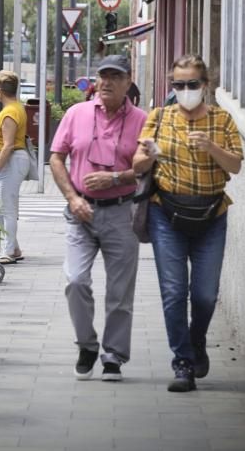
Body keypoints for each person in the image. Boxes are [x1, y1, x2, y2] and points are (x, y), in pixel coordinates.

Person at [133, 54, 243, 393]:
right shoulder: (160, 117)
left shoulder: (222, 120)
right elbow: (137, 164)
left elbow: (236, 166)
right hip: (167, 213)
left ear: (205, 85)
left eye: (191, 84)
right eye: (178, 85)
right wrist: (148, 154)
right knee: (174, 292)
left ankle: (197, 342)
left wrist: (211, 147)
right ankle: (182, 362)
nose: (184, 90)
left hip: (211, 216)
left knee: (206, 295)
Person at [49, 55, 147, 382]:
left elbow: (148, 170)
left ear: (128, 81)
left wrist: (116, 178)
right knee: (75, 281)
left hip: (122, 211)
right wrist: (72, 197)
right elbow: (56, 158)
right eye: (103, 75)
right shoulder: (77, 114)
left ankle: (113, 356)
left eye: (115, 77)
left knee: (120, 292)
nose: (106, 82)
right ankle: (87, 344)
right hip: (81, 212)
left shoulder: (142, 121)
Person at [0, 70, 30, 264]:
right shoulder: (13, 108)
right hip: (6, 162)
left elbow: (8, 145)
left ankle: (9, 250)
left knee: (7, 207)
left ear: (0, 90)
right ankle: (14, 246)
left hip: (9, 162)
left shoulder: (10, 112)